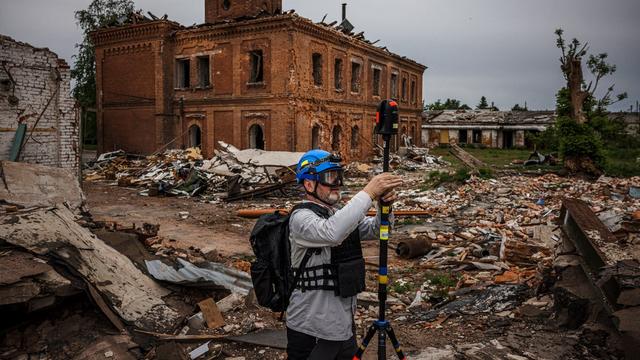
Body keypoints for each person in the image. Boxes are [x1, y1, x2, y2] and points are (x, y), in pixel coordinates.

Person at [286, 149, 403, 360]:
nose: (337, 183)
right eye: (329, 178)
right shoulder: (300, 218)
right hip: (311, 327)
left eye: (339, 176)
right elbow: (333, 233)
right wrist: (368, 192)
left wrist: (384, 206)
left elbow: (375, 230)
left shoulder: (337, 214)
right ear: (309, 184)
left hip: (342, 324)